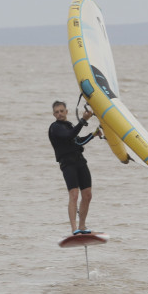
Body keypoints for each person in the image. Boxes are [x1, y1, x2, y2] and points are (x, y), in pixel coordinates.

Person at [49, 100, 102, 235]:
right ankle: (74, 229)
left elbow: (78, 142)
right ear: (54, 114)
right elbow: (69, 136)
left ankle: (82, 226)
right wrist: (83, 121)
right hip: (67, 164)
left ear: (66, 111)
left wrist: (93, 134)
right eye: (57, 112)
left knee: (88, 195)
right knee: (74, 194)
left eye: (62, 111)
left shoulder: (70, 126)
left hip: (80, 161)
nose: (59, 114)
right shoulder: (55, 127)